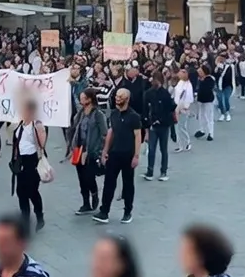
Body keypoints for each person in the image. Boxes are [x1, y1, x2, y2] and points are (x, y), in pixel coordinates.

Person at [94, 88, 141, 225]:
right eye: (117, 96)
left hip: (128, 154)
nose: (117, 98)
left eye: (120, 97)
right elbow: (111, 132)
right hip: (114, 153)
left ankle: (127, 211)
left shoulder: (134, 116)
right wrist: (105, 150)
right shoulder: (114, 114)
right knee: (109, 183)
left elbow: (138, 136)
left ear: (127, 99)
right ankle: (104, 211)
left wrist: (136, 156)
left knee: (128, 184)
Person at [11, 98, 48, 232]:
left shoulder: (36, 124)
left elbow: (42, 143)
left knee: (32, 191)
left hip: (32, 160)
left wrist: (40, 130)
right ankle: (25, 219)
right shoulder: (21, 123)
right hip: (21, 160)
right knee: (21, 192)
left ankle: (39, 216)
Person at [70, 89, 107, 216]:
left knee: (89, 176)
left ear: (89, 99)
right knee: (81, 177)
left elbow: (104, 133)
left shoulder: (98, 114)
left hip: (91, 151)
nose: (80, 100)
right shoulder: (80, 113)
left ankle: (94, 193)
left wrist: (100, 150)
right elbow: (74, 128)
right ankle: (85, 203)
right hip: (79, 149)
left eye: (83, 98)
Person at [142, 73, 175, 180]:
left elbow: (169, 110)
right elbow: (145, 111)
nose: (153, 82)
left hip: (163, 125)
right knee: (151, 149)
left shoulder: (165, 94)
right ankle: (150, 171)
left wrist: (160, 120)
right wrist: (147, 126)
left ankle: (163, 172)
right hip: (153, 125)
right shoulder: (148, 93)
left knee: (163, 149)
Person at [172, 69, 194, 153]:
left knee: (182, 126)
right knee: (177, 127)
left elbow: (188, 97)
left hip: (183, 108)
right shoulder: (180, 83)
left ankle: (187, 142)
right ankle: (180, 145)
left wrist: (184, 107)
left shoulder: (188, 85)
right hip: (176, 106)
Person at [193, 66, 216, 142]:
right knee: (201, 115)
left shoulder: (210, 79)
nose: (199, 73)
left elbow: (207, 89)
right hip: (201, 100)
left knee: (209, 116)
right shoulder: (199, 79)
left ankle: (211, 133)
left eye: (200, 71)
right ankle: (202, 130)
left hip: (208, 100)